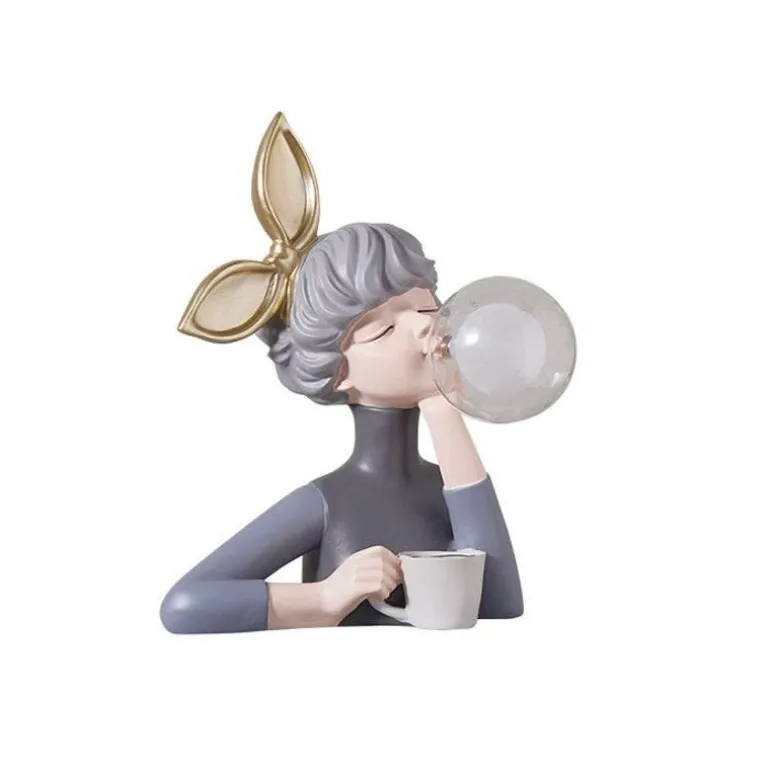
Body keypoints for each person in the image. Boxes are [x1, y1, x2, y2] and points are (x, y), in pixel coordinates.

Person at [161, 223, 523, 632]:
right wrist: (323, 599)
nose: (423, 327)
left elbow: (498, 601)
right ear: (337, 371)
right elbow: (185, 603)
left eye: (426, 309)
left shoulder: (450, 489)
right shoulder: (328, 502)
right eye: (383, 329)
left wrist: (443, 412)